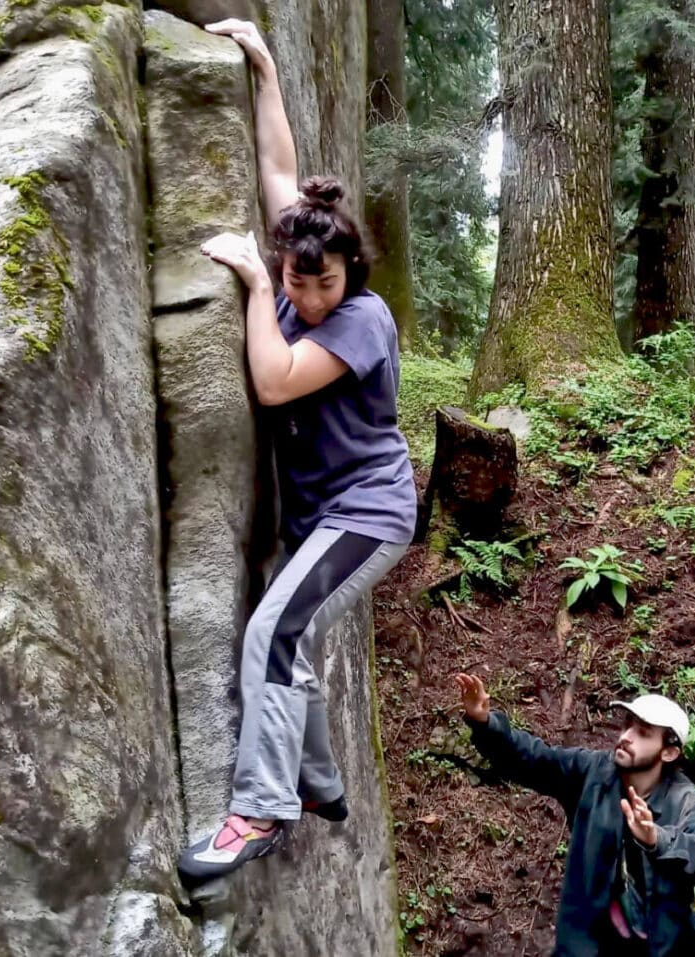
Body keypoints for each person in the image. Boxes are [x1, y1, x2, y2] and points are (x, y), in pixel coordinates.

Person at [177, 19, 416, 882]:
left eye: (323, 280)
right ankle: (316, 780)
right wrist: (267, 69)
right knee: (292, 633)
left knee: (273, 630)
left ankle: (263, 809)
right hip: (322, 515)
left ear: (352, 270)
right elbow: (281, 169)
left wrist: (250, 284)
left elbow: (275, 381)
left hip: (369, 514)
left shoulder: (362, 320)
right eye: (293, 278)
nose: (308, 295)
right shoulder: (298, 258)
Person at [454, 673, 695, 957]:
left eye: (643, 732)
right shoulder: (593, 773)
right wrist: (485, 723)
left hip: (671, 943)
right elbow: (534, 760)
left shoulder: (684, 800)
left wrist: (656, 838)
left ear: (669, 753)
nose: (625, 737)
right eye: (627, 726)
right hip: (593, 942)